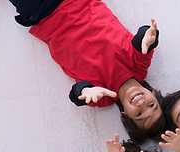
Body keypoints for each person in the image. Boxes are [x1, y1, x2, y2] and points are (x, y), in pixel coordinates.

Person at [9, 0, 165, 143]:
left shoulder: (103, 97)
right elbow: (144, 40)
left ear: (125, 114)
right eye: (152, 105)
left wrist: (84, 92)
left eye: (138, 115)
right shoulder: (139, 66)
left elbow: (78, 93)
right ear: (153, 93)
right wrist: (149, 36)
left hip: (44, 14)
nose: (142, 104)